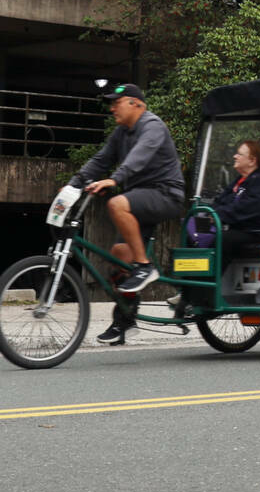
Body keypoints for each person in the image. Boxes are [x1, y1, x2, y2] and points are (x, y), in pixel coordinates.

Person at [68, 83, 185, 345]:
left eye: (116, 103)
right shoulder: (121, 133)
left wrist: (115, 179)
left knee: (116, 204)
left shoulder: (152, 125)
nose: (112, 108)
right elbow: (100, 160)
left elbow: (141, 156)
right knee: (120, 259)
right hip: (139, 198)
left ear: (135, 104)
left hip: (165, 194)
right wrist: (72, 185)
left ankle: (145, 267)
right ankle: (125, 321)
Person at [210, 139, 260, 249]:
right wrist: (209, 214)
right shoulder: (240, 180)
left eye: (239, 154)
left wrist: (219, 215)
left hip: (256, 233)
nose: (235, 156)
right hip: (237, 229)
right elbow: (221, 200)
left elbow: (248, 207)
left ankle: (211, 266)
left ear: (252, 161)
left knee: (223, 239)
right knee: (192, 233)